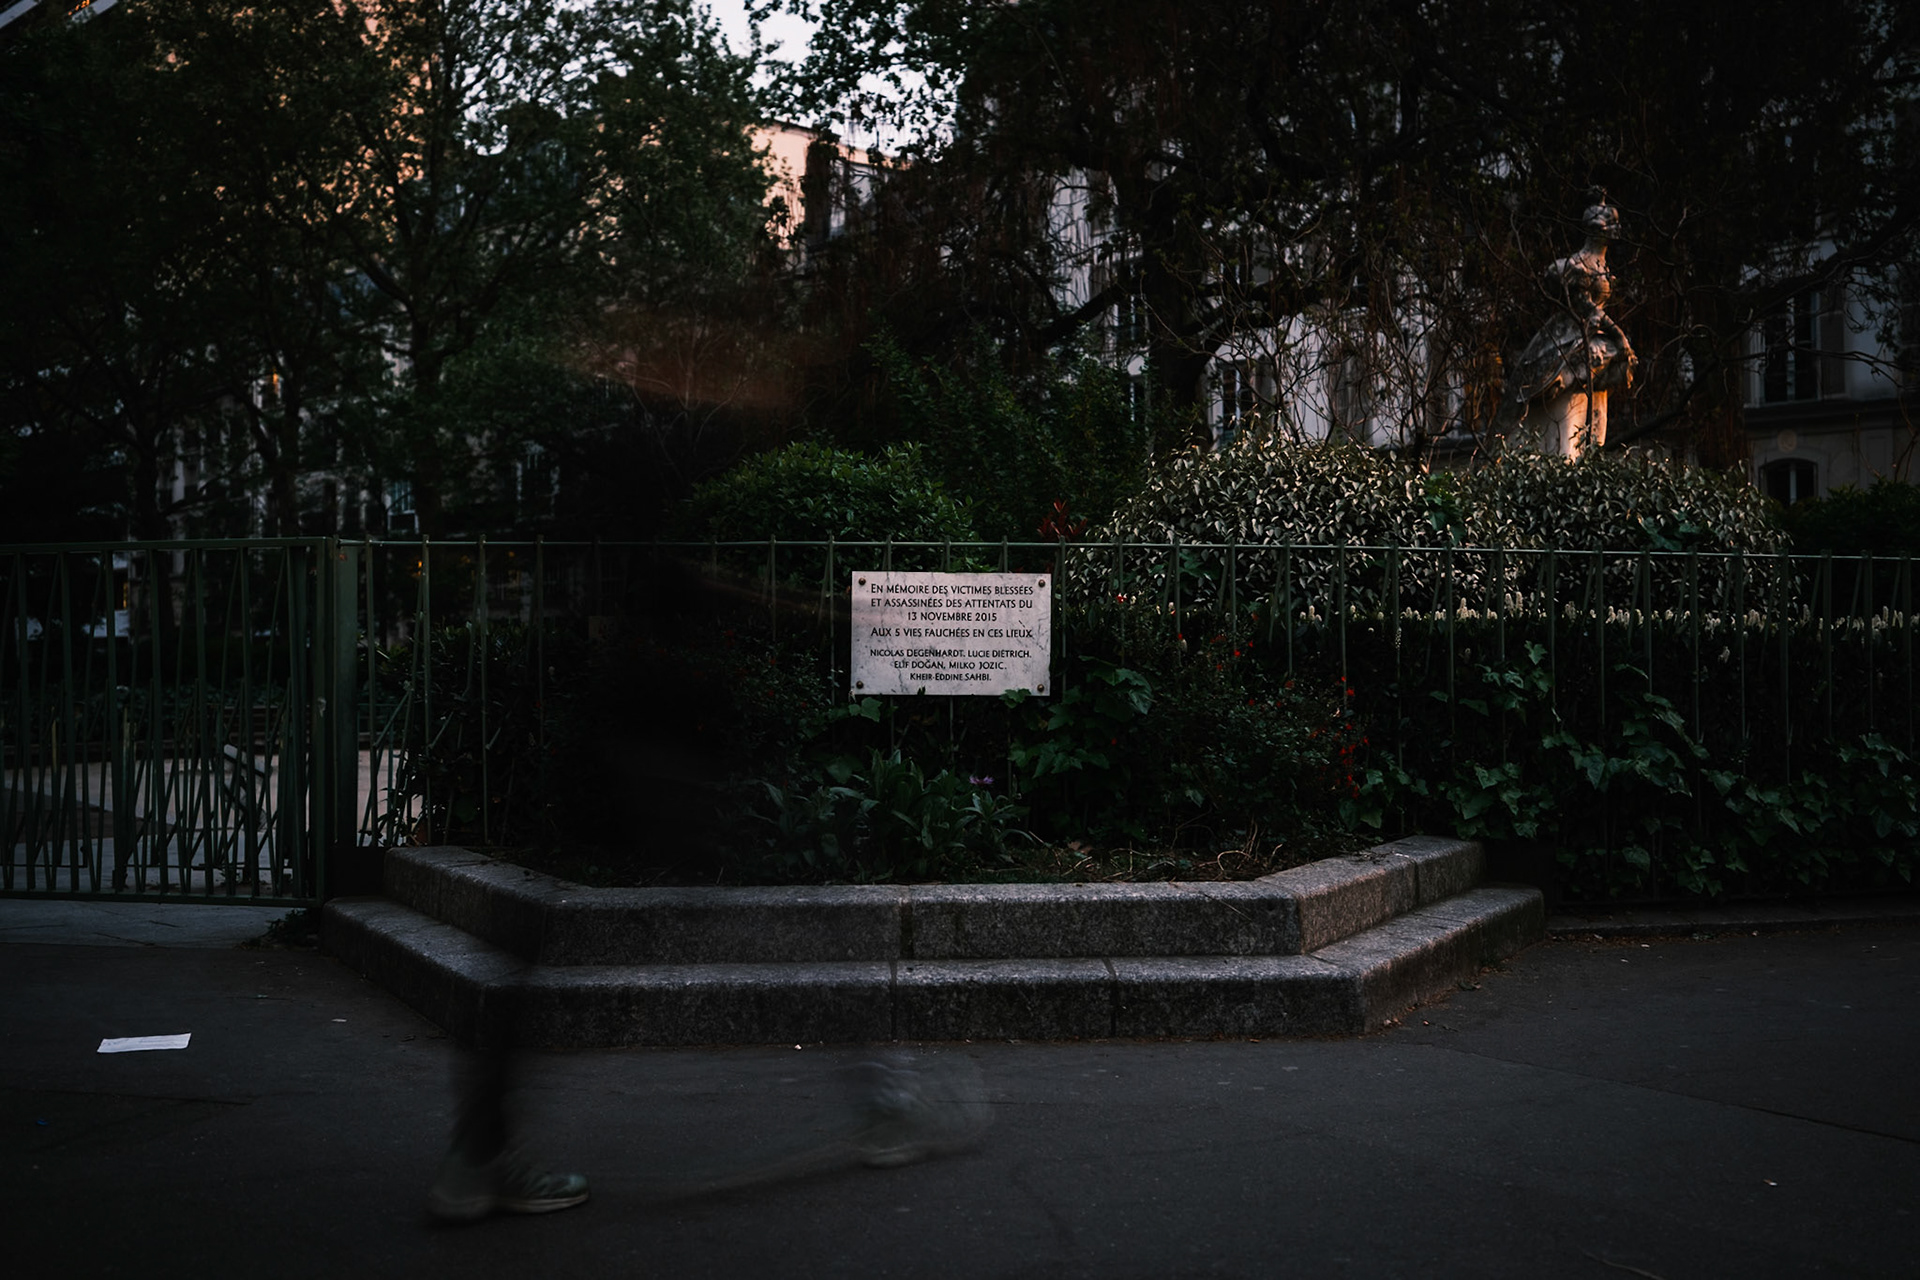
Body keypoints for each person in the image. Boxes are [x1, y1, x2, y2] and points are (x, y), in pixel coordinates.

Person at [1502, 198, 1638, 442]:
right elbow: (1589, 309)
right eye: (1609, 225)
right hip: (1572, 338)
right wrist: (1620, 337)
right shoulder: (1578, 266)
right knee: (1565, 422)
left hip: (1594, 340)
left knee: (1593, 426)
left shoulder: (1601, 265)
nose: (1615, 231)